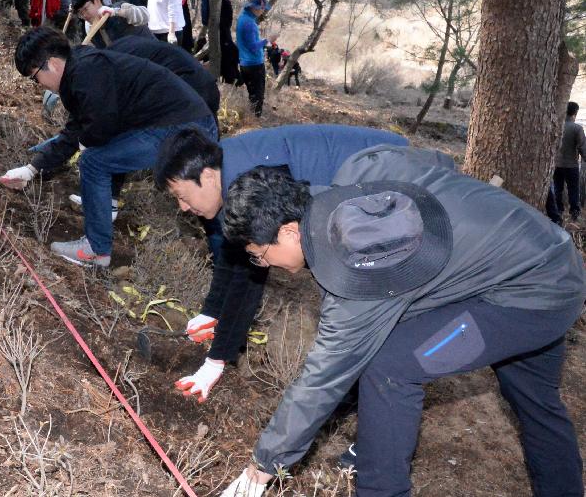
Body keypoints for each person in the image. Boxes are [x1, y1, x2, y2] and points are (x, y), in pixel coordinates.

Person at [217, 147, 585, 497]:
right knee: (537, 401)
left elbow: (325, 376)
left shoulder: (357, 262)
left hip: (531, 295)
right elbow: (436, 159)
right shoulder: (356, 174)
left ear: (289, 232)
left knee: (389, 366)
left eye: (259, 256)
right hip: (551, 254)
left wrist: (262, 467)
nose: (264, 267)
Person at [153, 126, 409, 404]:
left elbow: (247, 276)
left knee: (362, 290)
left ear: (206, 176)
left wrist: (216, 361)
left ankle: (361, 391)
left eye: (182, 195)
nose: (183, 207)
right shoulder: (222, 171)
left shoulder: (250, 181)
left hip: (387, 175)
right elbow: (231, 248)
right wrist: (212, 311)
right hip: (371, 169)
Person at [0, 28, 217, 267]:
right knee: (97, 157)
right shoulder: (80, 71)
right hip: (180, 122)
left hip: (181, 126)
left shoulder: (87, 71)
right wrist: (32, 169)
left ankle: (96, 250)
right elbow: (75, 132)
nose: (39, 85)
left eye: (35, 77)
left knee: (94, 161)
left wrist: (85, 143)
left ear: (50, 63)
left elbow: (101, 127)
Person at [69, 35, 223, 220]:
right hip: (192, 97)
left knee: (203, 176)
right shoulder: (116, 56)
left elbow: (112, 123)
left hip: (189, 98)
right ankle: (109, 203)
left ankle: (213, 217)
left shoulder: (108, 67)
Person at [71, 0, 152, 48]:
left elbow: (146, 15)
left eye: (85, 9)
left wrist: (116, 12)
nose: (84, 15)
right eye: (80, 13)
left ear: (97, 1)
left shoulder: (118, 8)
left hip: (152, 54)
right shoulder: (89, 27)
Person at [236, 0, 271, 117]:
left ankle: (253, 116)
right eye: (261, 8)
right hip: (254, 64)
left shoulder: (243, 18)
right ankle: (256, 119)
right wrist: (267, 40)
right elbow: (253, 47)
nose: (263, 11)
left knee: (252, 93)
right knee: (258, 94)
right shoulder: (249, 23)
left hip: (245, 62)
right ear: (254, 7)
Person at [553, 101, 586, 222]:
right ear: (575, 113)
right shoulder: (577, 128)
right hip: (571, 165)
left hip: (557, 164)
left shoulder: (556, 125)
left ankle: (559, 211)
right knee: (573, 189)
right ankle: (574, 213)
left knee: (557, 188)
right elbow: (583, 147)